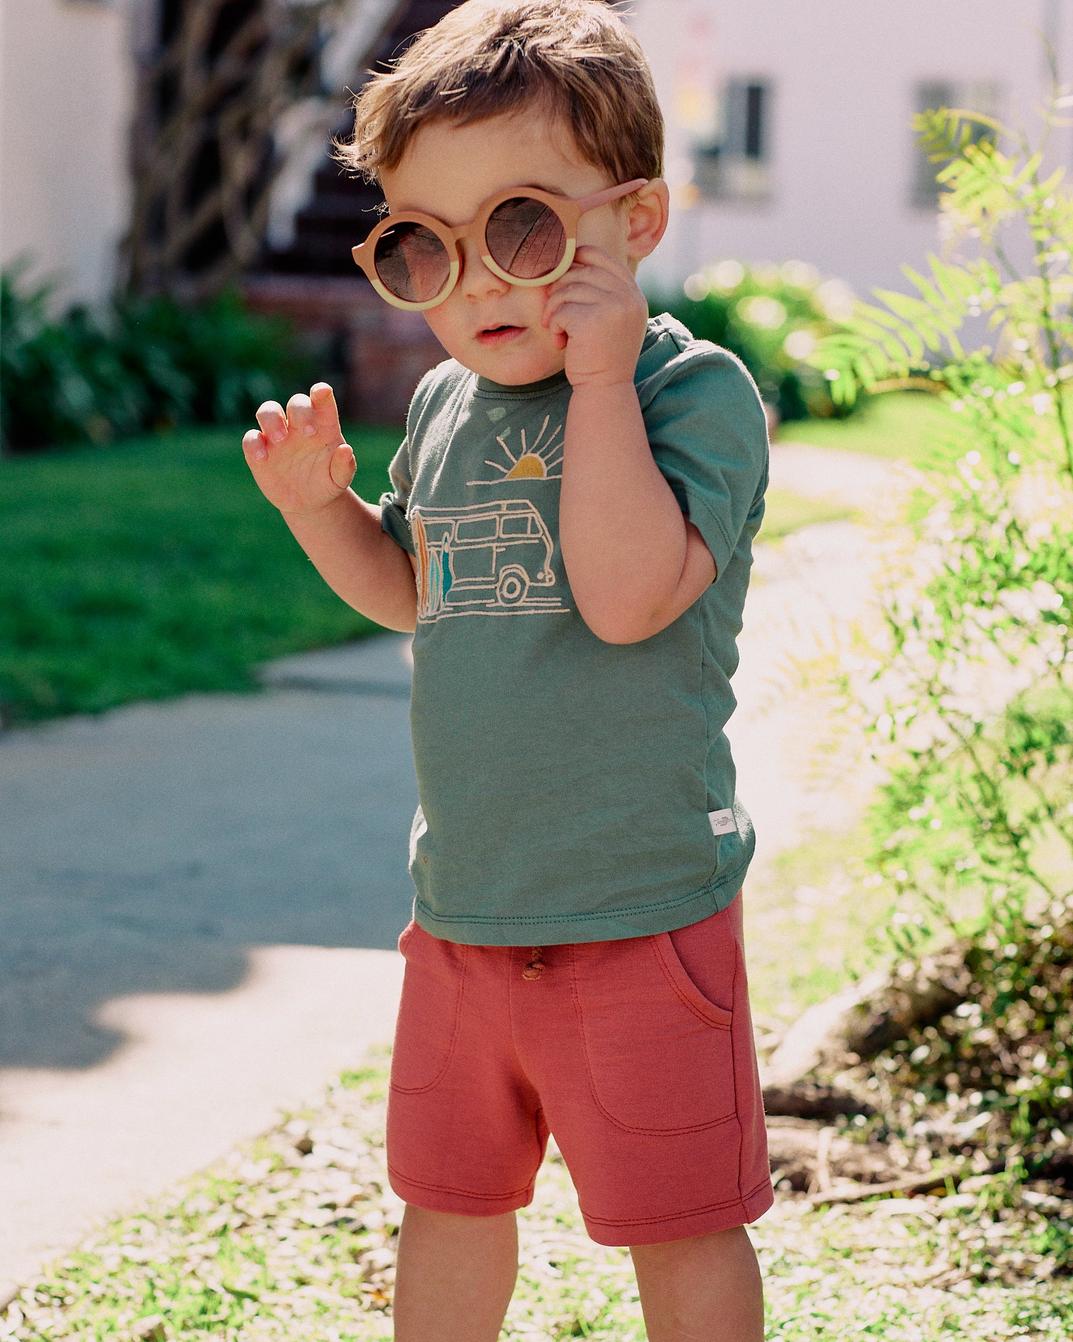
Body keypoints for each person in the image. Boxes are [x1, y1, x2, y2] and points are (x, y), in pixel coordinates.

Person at [242, 2, 774, 1337]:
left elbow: (625, 595)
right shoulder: (441, 407)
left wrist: (598, 386)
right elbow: (417, 598)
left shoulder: (687, 397)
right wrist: (323, 513)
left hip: (643, 910)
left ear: (635, 225)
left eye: (521, 232)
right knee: (448, 1199)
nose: (476, 284)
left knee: (680, 1221)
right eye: (422, 248)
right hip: (467, 910)